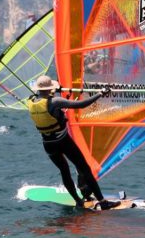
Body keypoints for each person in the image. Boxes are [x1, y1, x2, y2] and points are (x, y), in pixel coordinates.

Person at [26, 76, 117, 210]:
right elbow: (81, 104)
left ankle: (78, 201)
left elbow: (42, 100)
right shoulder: (55, 101)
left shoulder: (30, 101)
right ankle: (102, 202)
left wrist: (53, 91)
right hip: (63, 142)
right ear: (50, 88)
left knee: (64, 171)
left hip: (48, 144)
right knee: (85, 169)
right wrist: (100, 93)